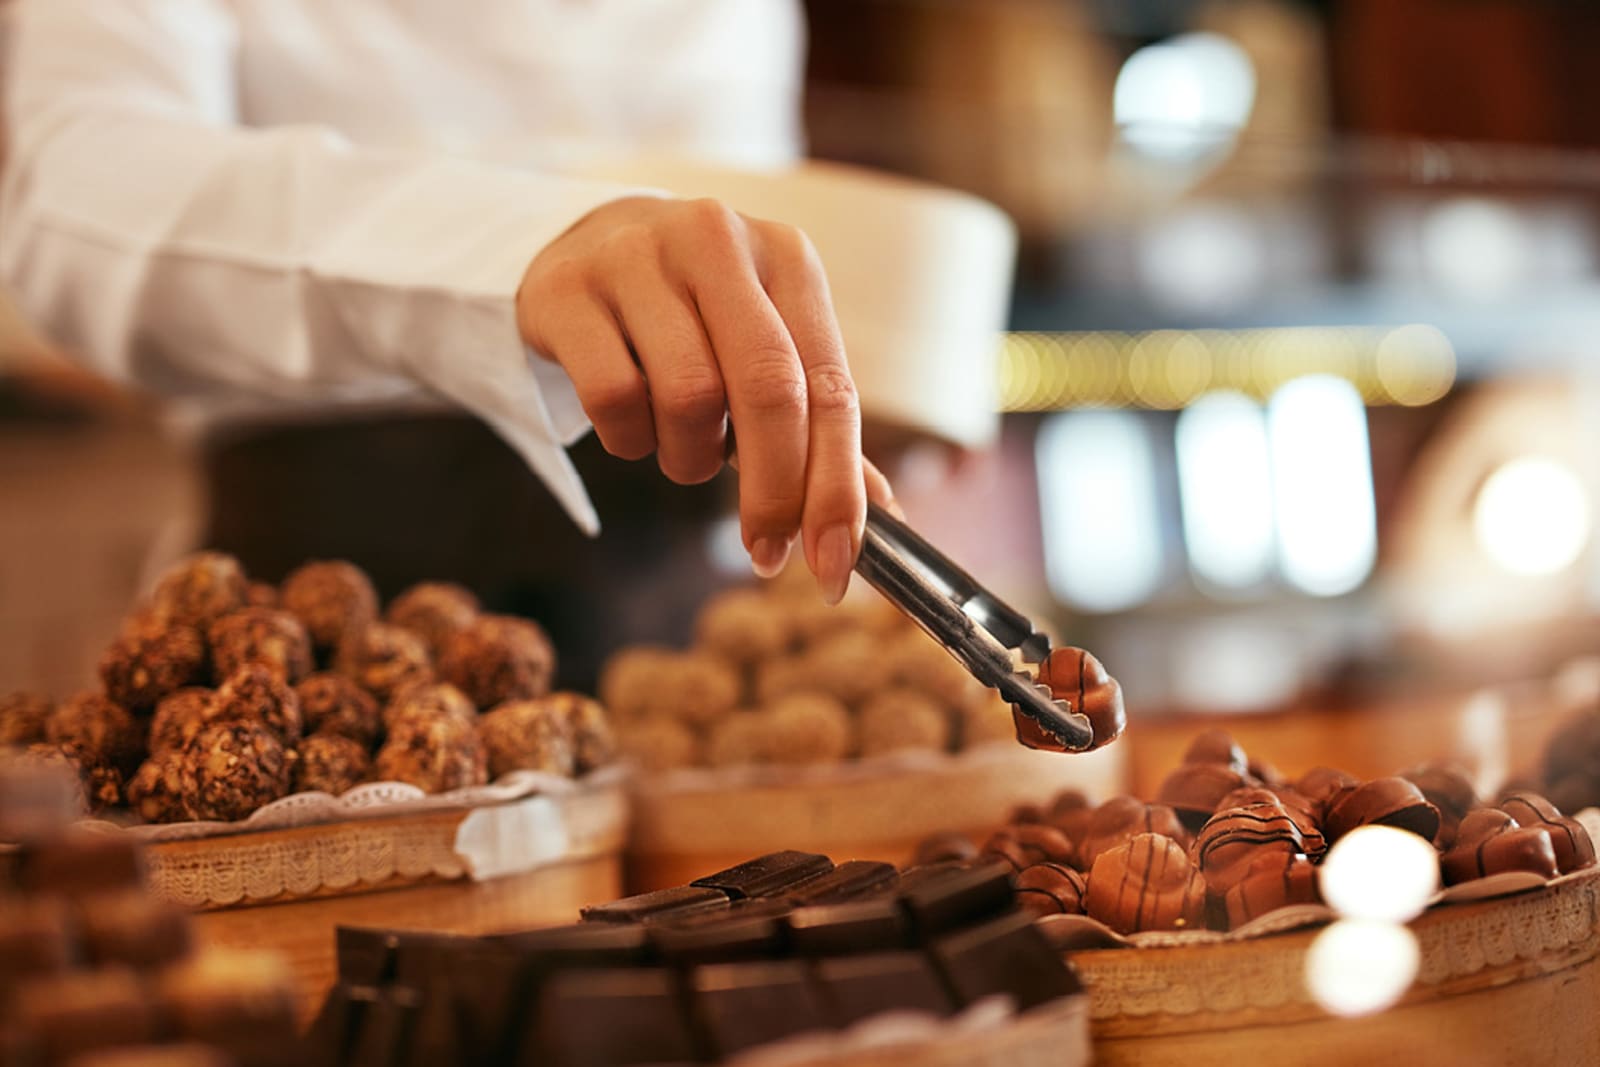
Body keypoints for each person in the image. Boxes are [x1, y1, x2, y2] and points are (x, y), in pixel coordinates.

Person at [0, 0, 897, 609]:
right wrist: (515, 245)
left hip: (683, 619)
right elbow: (73, 196)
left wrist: (826, 394)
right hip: (322, 608)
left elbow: (731, 201)